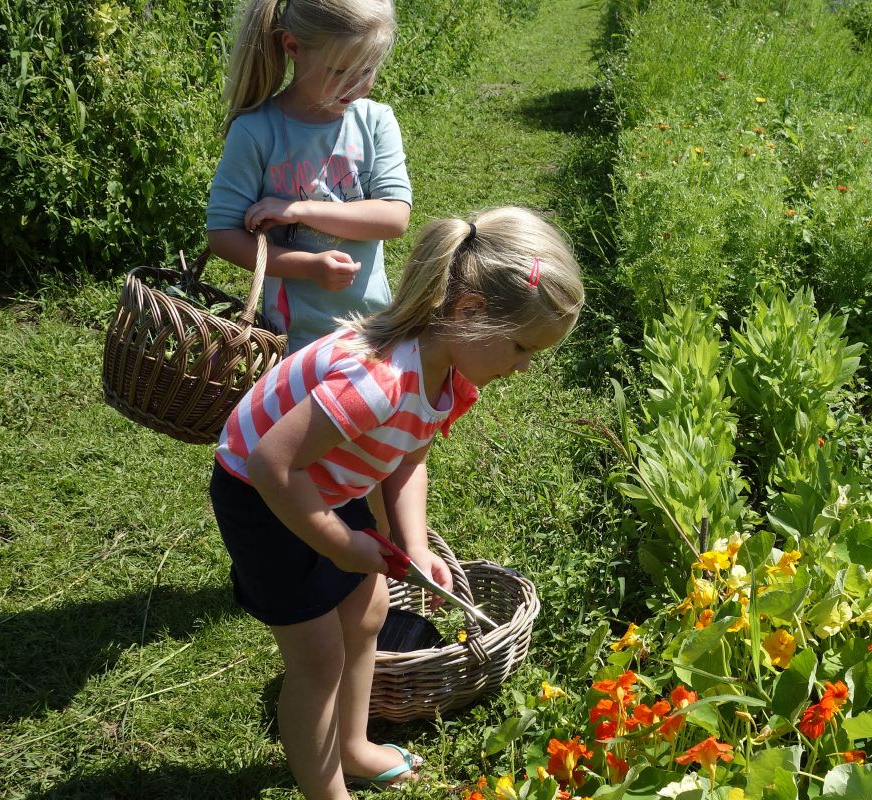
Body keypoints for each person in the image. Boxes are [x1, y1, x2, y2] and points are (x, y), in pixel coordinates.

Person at [209, 207, 584, 798]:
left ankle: (353, 747)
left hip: (324, 478)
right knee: (317, 658)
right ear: (469, 313)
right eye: (520, 347)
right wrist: (342, 542)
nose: (523, 366)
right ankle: (325, 789)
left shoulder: (448, 376)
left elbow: (408, 457)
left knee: (366, 612)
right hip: (264, 494)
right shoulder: (377, 383)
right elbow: (270, 464)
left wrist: (410, 543)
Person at [206, 0, 411, 355]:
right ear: (293, 47)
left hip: (372, 329)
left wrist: (299, 210)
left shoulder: (376, 121)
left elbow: (395, 217)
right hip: (290, 339)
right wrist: (308, 267)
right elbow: (223, 235)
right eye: (340, 72)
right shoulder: (257, 131)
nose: (357, 86)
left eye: (367, 70)